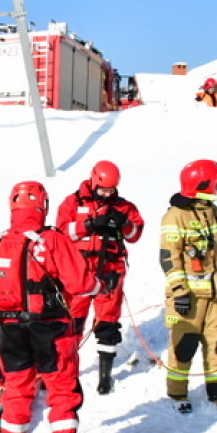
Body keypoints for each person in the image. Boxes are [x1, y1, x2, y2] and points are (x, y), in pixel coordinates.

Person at [0, 180, 112, 433]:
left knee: (17, 391)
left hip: (9, 331)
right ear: (43, 206)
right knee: (63, 394)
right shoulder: (52, 240)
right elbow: (81, 284)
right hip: (50, 330)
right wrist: (101, 286)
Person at [160, 159, 217, 415]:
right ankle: (177, 392)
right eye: (214, 182)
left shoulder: (212, 212)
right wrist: (179, 291)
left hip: (215, 295)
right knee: (184, 346)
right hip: (189, 298)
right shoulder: (175, 216)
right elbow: (168, 258)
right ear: (202, 184)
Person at [56, 160, 145, 394]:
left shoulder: (124, 206)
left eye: (111, 190)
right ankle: (65, 371)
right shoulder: (72, 203)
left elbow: (136, 234)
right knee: (71, 322)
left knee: (107, 323)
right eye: (103, 189)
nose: (107, 194)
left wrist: (124, 223)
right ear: (94, 181)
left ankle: (105, 377)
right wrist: (89, 224)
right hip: (79, 273)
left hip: (110, 272)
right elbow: (60, 232)